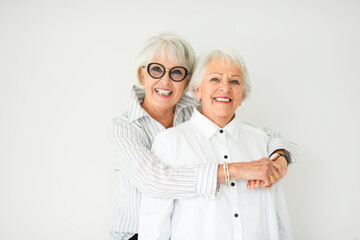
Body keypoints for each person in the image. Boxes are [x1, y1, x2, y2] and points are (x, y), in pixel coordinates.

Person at [110, 33, 296, 240]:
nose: (165, 80)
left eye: (176, 72)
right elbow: (155, 182)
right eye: (156, 69)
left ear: (188, 82)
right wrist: (235, 169)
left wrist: (280, 157)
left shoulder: (199, 109)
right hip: (133, 233)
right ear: (142, 74)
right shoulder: (126, 127)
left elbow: (264, 136)